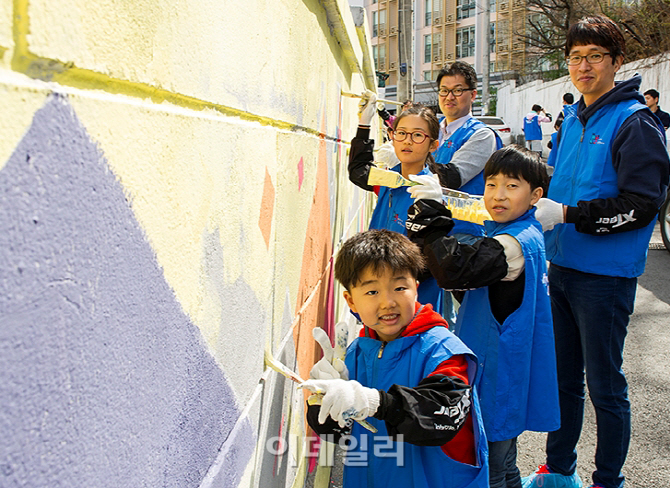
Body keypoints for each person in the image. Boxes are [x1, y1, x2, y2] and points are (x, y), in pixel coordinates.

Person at [524, 15, 670, 488]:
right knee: (562, 380)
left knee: (605, 387)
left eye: (595, 56)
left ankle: (608, 479)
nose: (583, 66)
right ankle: (558, 469)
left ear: (617, 62)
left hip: (604, 277)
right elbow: (556, 182)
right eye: (575, 57)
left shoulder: (635, 123)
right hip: (560, 267)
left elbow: (643, 205)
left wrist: (568, 215)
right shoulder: (571, 118)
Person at [405, 145, 560, 488]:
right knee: (504, 465)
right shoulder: (522, 233)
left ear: (535, 195)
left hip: (497, 376)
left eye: (511, 186)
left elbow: (454, 271)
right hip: (504, 370)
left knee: (489, 468)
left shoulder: (513, 244)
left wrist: (434, 217)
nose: (498, 195)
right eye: (491, 184)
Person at [303, 229, 488, 488]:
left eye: (400, 288)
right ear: (351, 302)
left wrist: (376, 402)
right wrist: (322, 400)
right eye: (371, 292)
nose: (388, 302)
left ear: (416, 289)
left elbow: (441, 417)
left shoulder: (444, 351)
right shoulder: (355, 353)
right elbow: (341, 433)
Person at [348, 94, 447, 316]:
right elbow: (358, 172)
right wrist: (364, 125)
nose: (407, 141)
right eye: (401, 133)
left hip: (411, 308)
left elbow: (426, 265)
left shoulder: (427, 192)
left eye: (418, 135)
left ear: (433, 145)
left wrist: (434, 208)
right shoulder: (389, 179)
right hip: (377, 300)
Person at [432, 61, 503, 242]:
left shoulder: (482, 135)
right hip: (432, 226)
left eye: (457, 90)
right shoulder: (432, 131)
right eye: (444, 90)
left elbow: (451, 178)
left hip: (464, 232)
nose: (449, 97)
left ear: (472, 95)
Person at [547, 94, 576, 167]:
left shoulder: (564, 112)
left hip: (564, 137)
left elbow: (558, 124)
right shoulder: (577, 110)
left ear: (565, 101)